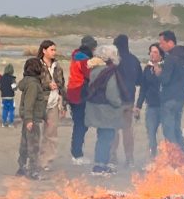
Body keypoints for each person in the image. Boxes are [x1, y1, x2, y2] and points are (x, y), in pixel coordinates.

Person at [84, 45, 124, 175]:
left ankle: (100, 164)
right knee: (106, 138)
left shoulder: (94, 70)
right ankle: (100, 166)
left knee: (102, 137)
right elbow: (111, 93)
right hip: (106, 110)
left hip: (94, 108)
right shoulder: (109, 71)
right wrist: (119, 103)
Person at [156, 30, 184, 160]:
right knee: (176, 128)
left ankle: (174, 158)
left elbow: (165, 80)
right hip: (181, 97)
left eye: (162, 43)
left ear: (170, 42)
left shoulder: (171, 58)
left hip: (169, 98)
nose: (160, 46)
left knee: (168, 130)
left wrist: (159, 73)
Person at [111, 34, 142, 167]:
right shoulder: (134, 59)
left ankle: (113, 157)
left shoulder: (114, 61)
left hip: (115, 100)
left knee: (114, 129)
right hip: (129, 99)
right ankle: (129, 158)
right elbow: (139, 81)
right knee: (127, 129)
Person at [37, 40, 66, 173]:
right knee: (35, 133)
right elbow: (32, 82)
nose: (54, 52)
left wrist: (63, 105)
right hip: (40, 102)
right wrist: (47, 85)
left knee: (51, 134)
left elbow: (62, 86)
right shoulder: (37, 65)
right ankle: (34, 159)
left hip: (54, 103)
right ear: (44, 50)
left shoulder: (57, 67)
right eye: (51, 50)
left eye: (55, 50)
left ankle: (46, 161)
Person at [67, 35, 97, 165]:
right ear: (92, 47)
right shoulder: (85, 60)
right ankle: (77, 154)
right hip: (80, 93)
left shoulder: (76, 55)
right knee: (81, 125)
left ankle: (76, 153)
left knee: (78, 124)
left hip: (72, 92)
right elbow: (91, 75)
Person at [16, 58, 47, 180]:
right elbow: (29, 103)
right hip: (32, 120)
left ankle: (22, 168)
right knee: (33, 146)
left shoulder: (28, 82)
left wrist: (44, 116)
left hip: (28, 118)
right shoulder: (33, 84)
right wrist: (29, 120)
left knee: (24, 144)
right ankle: (33, 171)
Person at [135, 43, 164, 159]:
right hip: (151, 106)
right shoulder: (147, 69)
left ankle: (170, 158)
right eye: (151, 52)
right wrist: (138, 106)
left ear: (161, 55)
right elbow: (143, 88)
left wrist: (159, 74)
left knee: (168, 134)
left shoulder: (166, 68)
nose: (152, 54)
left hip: (165, 106)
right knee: (151, 134)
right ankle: (153, 158)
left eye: (155, 52)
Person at [0, 63, 17, 128]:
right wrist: (16, 88)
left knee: (4, 109)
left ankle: (4, 123)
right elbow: (14, 87)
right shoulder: (12, 78)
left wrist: (2, 89)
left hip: (3, 96)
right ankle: (10, 123)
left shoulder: (1, 78)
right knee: (11, 110)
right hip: (11, 97)